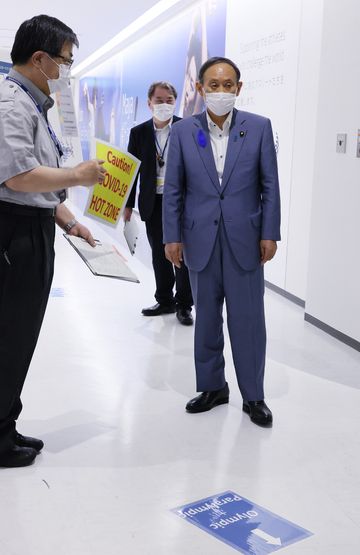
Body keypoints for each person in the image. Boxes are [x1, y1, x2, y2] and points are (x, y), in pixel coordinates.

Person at [0, 15, 106, 468]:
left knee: (19, 335)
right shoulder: (10, 105)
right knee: (8, 336)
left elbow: (37, 185)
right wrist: (78, 176)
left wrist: (68, 221)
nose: (65, 71)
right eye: (64, 61)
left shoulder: (31, 105)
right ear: (39, 58)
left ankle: (6, 424)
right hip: (12, 233)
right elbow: (18, 176)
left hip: (33, 226)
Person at [163, 57, 281, 426]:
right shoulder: (183, 132)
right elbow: (173, 190)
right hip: (199, 239)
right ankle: (213, 387)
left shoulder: (258, 128)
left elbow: (269, 186)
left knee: (248, 322)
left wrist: (269, 233)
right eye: (213, 85)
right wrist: (172, 237)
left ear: (239, 89)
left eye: (227, 84)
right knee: (207, 319)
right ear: (200, 89)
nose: (220, 91)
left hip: (245, 239)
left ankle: (253, 395)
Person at [124, 82, 193, 326]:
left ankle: (184, 305)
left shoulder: (189, 128)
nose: (164, 104)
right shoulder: (139, 132)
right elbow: (131, 171)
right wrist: (128, 204)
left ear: (175, 102)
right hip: (153, 202)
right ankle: (164, 300)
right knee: (158, 254)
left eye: (169, 100)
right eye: (159, 100)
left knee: (181, 254)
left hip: (182, 202)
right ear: (149, 103)